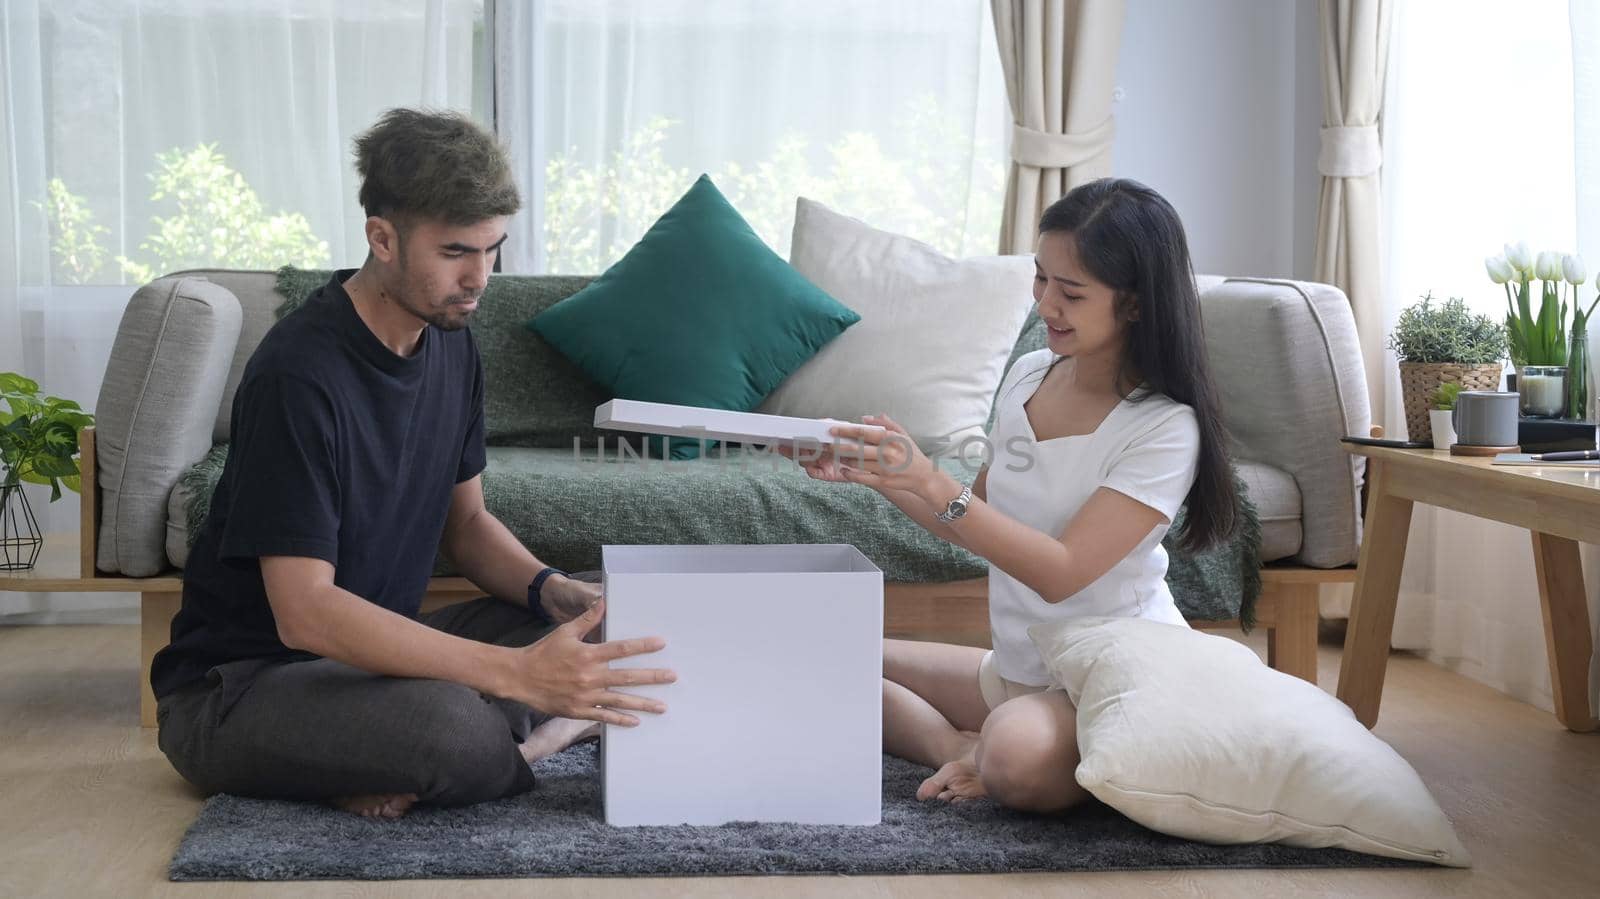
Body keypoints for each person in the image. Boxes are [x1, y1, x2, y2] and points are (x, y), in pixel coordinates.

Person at [151, 108, 675, 819]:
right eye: (457, 251)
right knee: (450, 727)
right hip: (249, 684)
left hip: (375, 663)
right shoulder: (297, 375)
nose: (480, 277)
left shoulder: (451, 340)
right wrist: (516, 673)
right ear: (383, 238)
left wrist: (555, 594)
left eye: (493, 250)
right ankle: (536, 737)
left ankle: (459, 738)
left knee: (620, 613)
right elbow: (305, 614)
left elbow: (468, 525)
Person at [785, 178, 1237, 812]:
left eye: (1071, 292)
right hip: (1020, 670)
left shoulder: (1163, 426)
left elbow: (1063, 574)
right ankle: (958, 745)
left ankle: (998, 750)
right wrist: (883, 473)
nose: (1047, 304)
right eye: (1040, 279)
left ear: (1135, 304)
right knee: (819, 652)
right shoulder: (1030, 376)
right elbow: (972, 520)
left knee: (1017, 760)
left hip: (1110, 678)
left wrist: (928, 477)